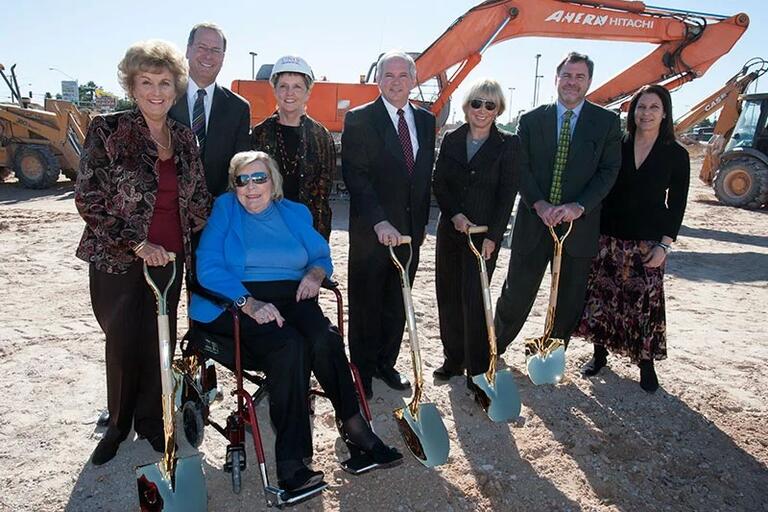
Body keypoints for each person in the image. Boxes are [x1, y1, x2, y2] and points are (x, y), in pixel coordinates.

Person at [189, 151, 402, 493]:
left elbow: (320, 256)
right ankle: (292, 463)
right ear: (235, 186)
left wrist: (317, 274)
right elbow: (209, 266)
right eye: (242, 180)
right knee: (290, 345)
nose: (251, 187)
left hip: (295, 295)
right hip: (236, 299)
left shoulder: (294, 212)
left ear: (274, 183)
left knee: (325, 337)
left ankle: (356, 430)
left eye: (260, 178)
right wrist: (248, 302)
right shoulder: (225, 209)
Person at [75, 39, 211, 466]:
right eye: (147, 82)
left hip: (170, 261)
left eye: (165, 83)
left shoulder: (186, 139)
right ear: (132, 87)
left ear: (176, 88)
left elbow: (199, 199)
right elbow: (88, 196)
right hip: (118, 258)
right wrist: (138, 243)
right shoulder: (108, 129)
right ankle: (117, 426)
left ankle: (153, 421)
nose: (157, 91)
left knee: (161, 341)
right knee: (122, 341)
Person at [493, 52, 622, 357]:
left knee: (568, 297)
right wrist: (539, 204)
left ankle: (551, 352)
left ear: (589, 82)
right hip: (534, 222)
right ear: (556, 79)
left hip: (579, 227)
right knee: (516, 292)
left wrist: (579, 206)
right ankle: (494, 348)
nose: (572, 82)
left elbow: (609, 171)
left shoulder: (606, 122)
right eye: (567, 75)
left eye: (579, 77)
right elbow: (520, 167)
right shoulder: (531, 120)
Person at [577, 84, 690, 392]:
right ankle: (599, 355)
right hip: (609, 236)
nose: (647, 113)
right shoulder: (618, 145)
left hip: (648, 242)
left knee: (644, 305)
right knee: (603, 298)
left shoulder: (676, 154)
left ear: (665, 112)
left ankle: (646, 365)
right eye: (641, 107)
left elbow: (677, 202)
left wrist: (664, 245)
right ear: (632, 111)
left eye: (654, 107)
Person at [342, 50, 436, 398]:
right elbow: (356, 175)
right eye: (388, 75)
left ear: (414, 80)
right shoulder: (359, 119)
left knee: (398, 303)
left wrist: (422, 222)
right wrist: (380, 221)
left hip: (410, 233)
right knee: (366, 303)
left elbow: (423, 176)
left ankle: (385, 363)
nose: (395, 82)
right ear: (378, 80)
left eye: (403, 76)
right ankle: (362, 371)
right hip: (372, 232)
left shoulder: (427, 121)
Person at [432, 79, 519, 384]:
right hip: (451, 233)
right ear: (467, 106)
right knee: (449, 297)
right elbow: (439, 182)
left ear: (498, 110)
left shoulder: (508, 144)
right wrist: (454, 214)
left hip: (483, 237)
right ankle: (453, 359)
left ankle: (478, 367)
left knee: (475, 298)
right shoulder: (452, 139)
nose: (482, 110)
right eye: (476, 103)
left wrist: (494, 236)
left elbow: (508, 192)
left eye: (490, 105)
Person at [250, 55, 334, 239]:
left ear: (308, 92)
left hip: (306, 231)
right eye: (283, 86)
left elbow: (323, 195)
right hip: (266, 231)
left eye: (297, 87)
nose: (290, 93)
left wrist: (318, 241)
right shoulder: (259, 134)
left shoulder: (320, 136)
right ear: (275, 90)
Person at [169, 22, 251, 197]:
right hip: (167, 210)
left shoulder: (239, 109)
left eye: (215, 50)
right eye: (202, 47)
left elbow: (239, 168)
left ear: (223, 57)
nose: (208, 55)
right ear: (188, 50)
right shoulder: (164, 98)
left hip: (217, 212)